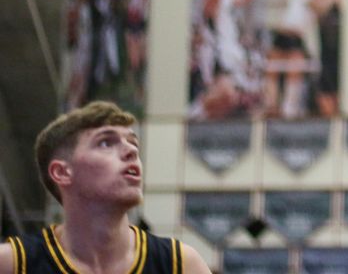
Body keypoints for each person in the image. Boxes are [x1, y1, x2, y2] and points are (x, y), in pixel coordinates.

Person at [1, 101, 211, 274]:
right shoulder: (13, 264)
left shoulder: (182, 265)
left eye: (133, 143)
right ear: (62, 172)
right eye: (105, 143)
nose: (131, 151)